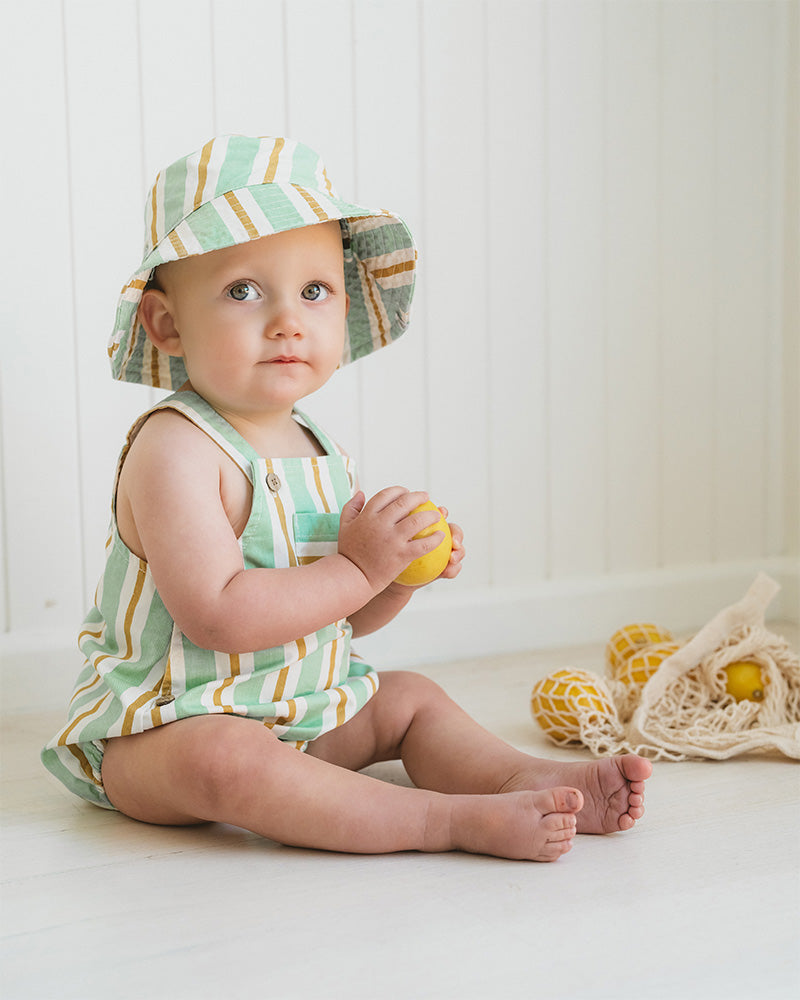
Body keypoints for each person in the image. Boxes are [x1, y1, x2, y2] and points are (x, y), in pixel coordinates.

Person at [42, 135, 651, 862]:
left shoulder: (316, 447)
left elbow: (340, 621)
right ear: (167, 324)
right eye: (243, 291)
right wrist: (361, 567)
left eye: (314, 291)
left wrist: (393, 577)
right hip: (167, 732)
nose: (287, 320)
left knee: (408, 698)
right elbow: (220, 617)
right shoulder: (173, 448)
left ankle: (524, 777)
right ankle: (441, 821)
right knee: (227, 761)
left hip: (296, 713)